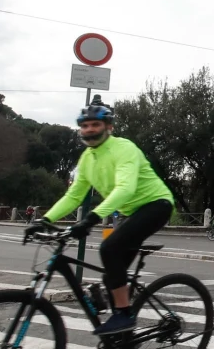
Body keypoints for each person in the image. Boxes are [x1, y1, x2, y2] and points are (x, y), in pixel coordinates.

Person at [25, 100, 175, 336]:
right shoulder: (87, 158)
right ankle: (122, 336)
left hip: (156, 205)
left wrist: (91, 219)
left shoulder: (124, 148)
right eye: (84, 126)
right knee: (111, 275)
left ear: (109, 127)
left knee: (109, 248)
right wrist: (44, 220)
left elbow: (125, 188)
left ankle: (123, 315)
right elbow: (74, 195)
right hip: (131, 212)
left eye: (95, 124)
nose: (89, 130)